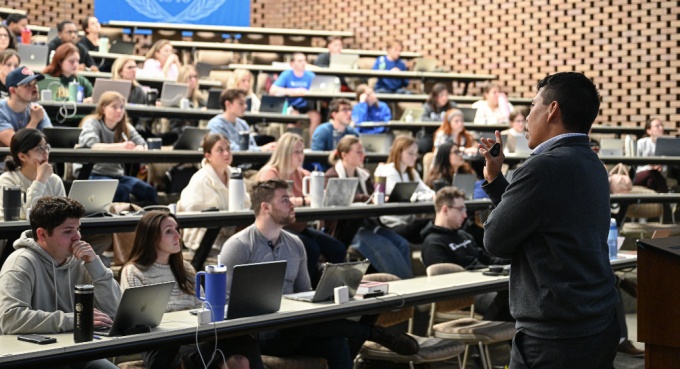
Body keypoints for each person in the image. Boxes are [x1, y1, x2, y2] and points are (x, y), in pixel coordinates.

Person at [479, 72, 620, 368]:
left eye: (532, 106)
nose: (528, 116)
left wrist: (497, 186)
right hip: (597, 320)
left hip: (555, 337)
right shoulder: (592, 163)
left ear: (552, 109)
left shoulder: (542, 167)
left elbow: (495, 239)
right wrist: (496, 181)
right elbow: (537, 217)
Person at [219, 179, 419, 369]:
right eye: (284, 200)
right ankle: (373, 333)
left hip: (297, 326)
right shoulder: (239, 246)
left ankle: (370, 333)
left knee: (337, 343)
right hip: (261, 334)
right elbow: (225, 303)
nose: (292, 204)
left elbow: (303, 294)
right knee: (299, 325)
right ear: (265, 207)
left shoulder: (295, 244)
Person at [121, 211, 261, 369]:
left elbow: (201, 306)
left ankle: (187, 363)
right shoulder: (134, 271)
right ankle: (184, 363)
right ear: (151, 237)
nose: (177, 236)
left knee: (240, 359)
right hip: (162, 347)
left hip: (193, 338)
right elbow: (138, 322)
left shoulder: (185, 268)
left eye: (177, 229)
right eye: (169, 231)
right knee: (243, 341)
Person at [0, 196, 120, 369]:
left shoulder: (81, 261)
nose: (77, 237)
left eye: (78, 229)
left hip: (75, 352)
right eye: (68, 231)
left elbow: (114, 311)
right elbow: (11, 320)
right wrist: (76, 320)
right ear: (42, 234)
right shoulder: (20, 263)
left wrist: (96, 266)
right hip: (33, 356)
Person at [257, 133, 347, 284]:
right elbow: (275, 203)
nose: (301, 156)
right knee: (310, 248)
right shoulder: (270, 173)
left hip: (298, 226)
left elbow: (318, 197)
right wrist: (304, 200)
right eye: (296, 152)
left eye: (302, 151)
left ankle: (329, 290)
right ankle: (304, 292)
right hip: (275, 228)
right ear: (285, 152)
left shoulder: (303, 174)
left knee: (337, 248)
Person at [325, 136, 413, 278]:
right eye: (358, 152)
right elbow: (337, 199)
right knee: (384, 247)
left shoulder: (364, 175)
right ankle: (405, 286)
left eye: (363, 151)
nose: (363, 155)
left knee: (401, 243)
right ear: (344, 155)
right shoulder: (332, 175)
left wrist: (382, 198)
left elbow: (374, 197)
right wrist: (365, 198)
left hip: (369, 224)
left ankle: (409, 283)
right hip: (348, 230)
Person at [421, 187, 512, 321]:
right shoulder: (433, 243)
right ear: (445, 210)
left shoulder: (463, 235)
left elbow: (485, 259)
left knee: (519, 297)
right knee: (511, 304)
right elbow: (446, 282)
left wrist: (513, 261)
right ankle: (478, 340)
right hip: (463, 295)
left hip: (483, 286)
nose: (465, 215)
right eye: (461, 209)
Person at [78, 91, 158, 204]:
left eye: (121, 107)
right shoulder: (92, 123)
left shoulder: (125, 126)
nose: (119, 111)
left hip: (117, 175)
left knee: (149, 191)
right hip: (93, 173)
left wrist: (140, 148)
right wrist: (120, 147)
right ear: (103, 109)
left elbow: (141, 142)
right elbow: (92, 145)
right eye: (114, 107)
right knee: (121, 191)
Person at [177, 133, 251, 252]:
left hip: (232, 237)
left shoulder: (235, 175)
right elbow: (202, 218)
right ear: (208, 155)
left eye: (228, 149)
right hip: (205, 242)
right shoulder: (200, 180)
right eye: (220, 150)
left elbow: (246, 205)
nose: (226, 153)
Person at [374, 135, 434, 243]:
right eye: (411, 153)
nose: (415, 157)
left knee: (435, 226)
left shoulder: (412, 172)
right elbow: (404, 196)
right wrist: (424, 196)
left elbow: (427, 191)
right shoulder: (387, 171)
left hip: (409, 221)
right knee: (432, 227)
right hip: (392, 223)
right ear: (399, 152)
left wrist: (434, 195)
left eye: (416, 153)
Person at [0, 128, 65, 220]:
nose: (45, 152)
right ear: (22, 156)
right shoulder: (7, 180)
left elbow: (63, 215)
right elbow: (23, 216)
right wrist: (40, 180)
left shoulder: (54, 180)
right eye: (39, 148)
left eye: (46, 147)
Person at [269, 52, 321, 137]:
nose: (303, 63)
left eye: (304, 61)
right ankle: (293, 146)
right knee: (293, 119)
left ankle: (313, 146)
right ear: (292, 63)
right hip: (291, 107)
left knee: (316, 117)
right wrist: (293, 92)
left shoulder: (310, 75)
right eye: (300, 61)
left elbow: (318, 90)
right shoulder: (286, 74)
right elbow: (273, 90)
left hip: (307, 107)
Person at [207, 89, 275, 152]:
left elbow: (252, 145)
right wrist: (261, 149)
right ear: (228, 104)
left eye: (245, 103)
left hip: (248, 162)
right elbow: (229, 149)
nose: (245, 106)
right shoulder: (215, 125)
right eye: (241, 103)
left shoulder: (243, 124)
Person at [0, 66, 52, 146]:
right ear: (13, 90)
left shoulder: (36, 109)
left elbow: (51, 140)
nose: (34, 87)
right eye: (27, 85)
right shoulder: (1, 111)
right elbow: (15, 145)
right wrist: (34, 121)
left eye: (35, 83)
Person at [633, 117, 668, 193]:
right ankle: (666, 196)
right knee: (652, 172)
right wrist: (650, 166)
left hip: (658, 174)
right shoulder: (641, 143)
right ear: (649, 130)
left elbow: (667, 166)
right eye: (657, 126)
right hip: (642, 173)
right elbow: (636, 163)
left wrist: (660, 167)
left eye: (662, 125)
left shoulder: (667, 144)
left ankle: (654, 202)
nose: (661, 128)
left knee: (651, 181)